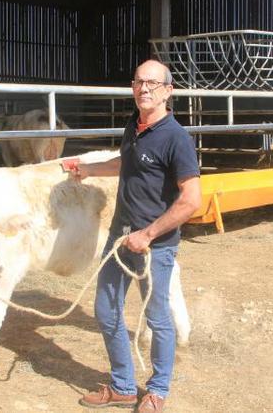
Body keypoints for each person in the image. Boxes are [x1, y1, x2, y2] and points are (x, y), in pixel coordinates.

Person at [73, 59, 202, 412]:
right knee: (106, 309)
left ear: (168, 91)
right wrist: (87, 169)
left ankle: (158, 390)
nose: (144, 89)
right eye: (138, 82)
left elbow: (191, 200)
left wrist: (147, 234)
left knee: (157, 317)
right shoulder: (135, 125)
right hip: (120, 238)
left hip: (154, 246)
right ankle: (123, 386)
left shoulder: (176, 138)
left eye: (152, 83)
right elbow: (124, 162)